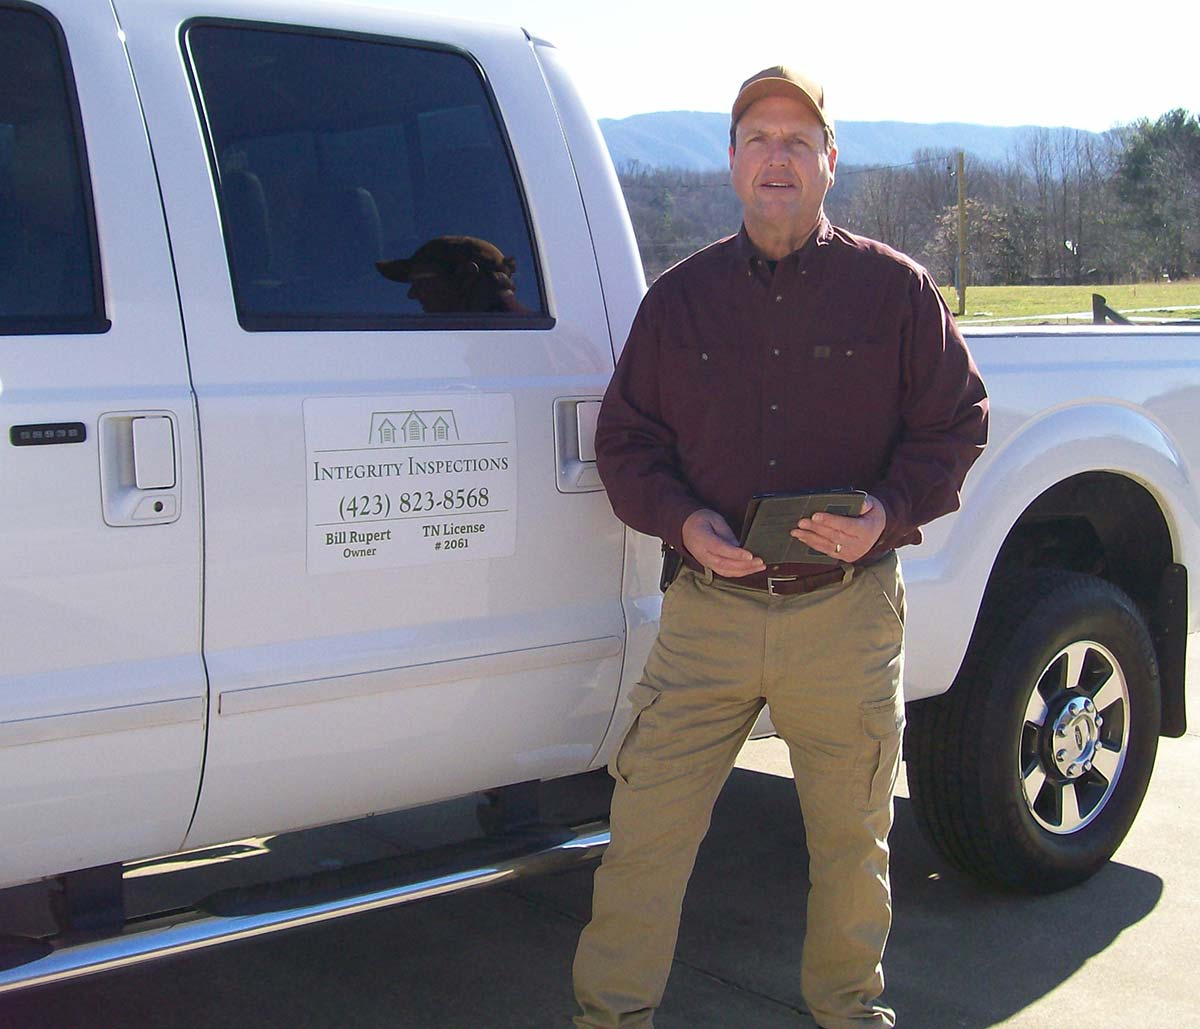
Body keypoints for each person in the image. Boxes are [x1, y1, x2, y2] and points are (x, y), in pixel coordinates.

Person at [572, 66, 988, 1028]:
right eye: (758, 137)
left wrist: (885, 511)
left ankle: (848, 1011)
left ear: (830, 164)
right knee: (645, 834)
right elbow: (627, 443)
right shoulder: (680, 302)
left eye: (799, 141)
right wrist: (685, 524)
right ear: (729, 162)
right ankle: (609, 1017)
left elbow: (956, 423)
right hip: (708, 618)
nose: (778, 157)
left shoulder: (895, 292)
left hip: (844, 614)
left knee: (853, 841)